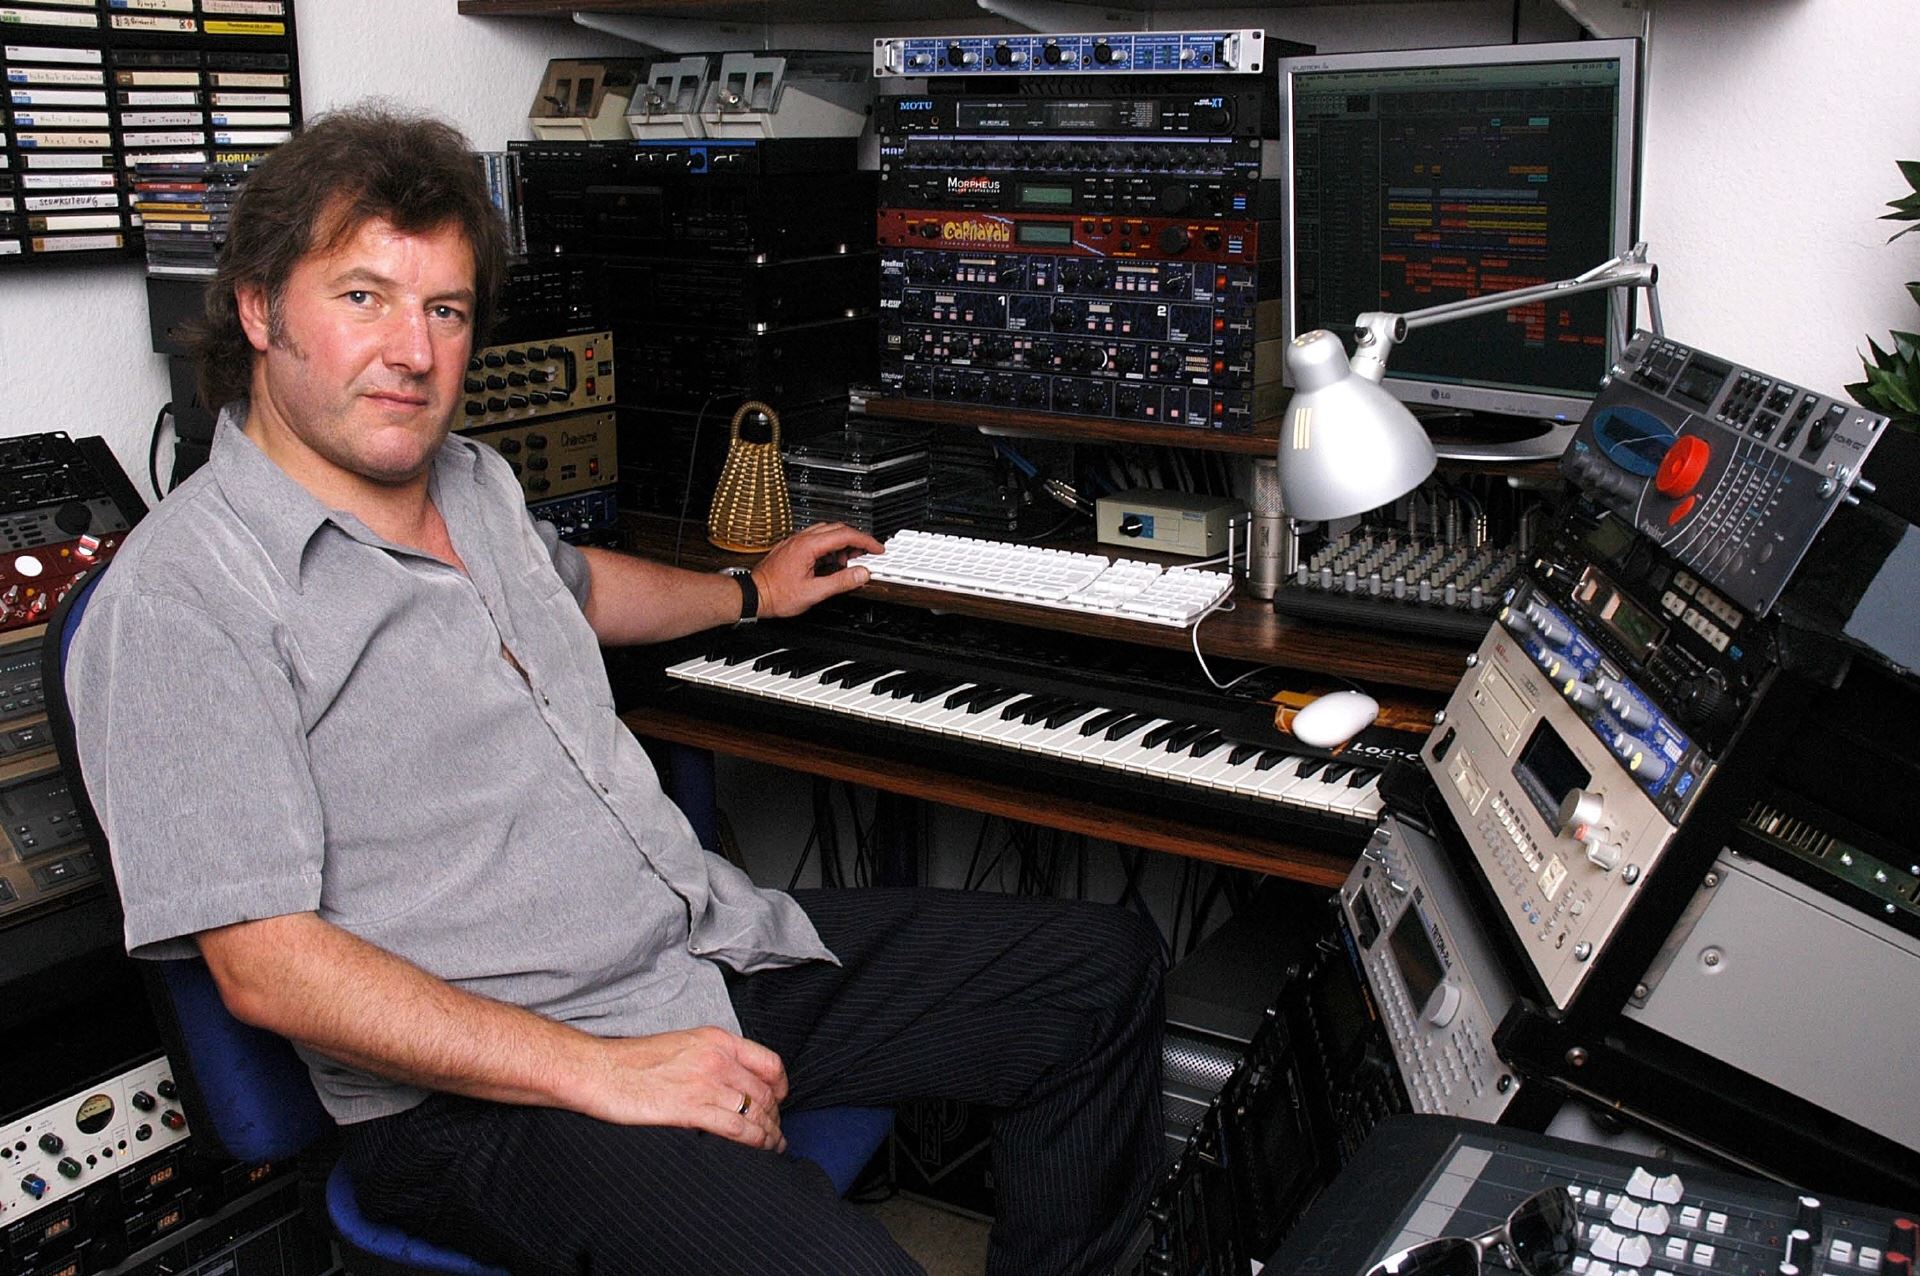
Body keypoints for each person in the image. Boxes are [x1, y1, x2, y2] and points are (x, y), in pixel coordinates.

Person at [68, 106, 1163, 1275]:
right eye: (363, 297)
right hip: (477, 1095)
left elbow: (578, 586)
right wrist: (609, 1071)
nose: (414, 351)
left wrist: (748, 592)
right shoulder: (185, 597)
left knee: (1099, 977)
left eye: (445, 310)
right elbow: (267, 965)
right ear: (257, 308)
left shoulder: (471, 482)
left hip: (687, 957)